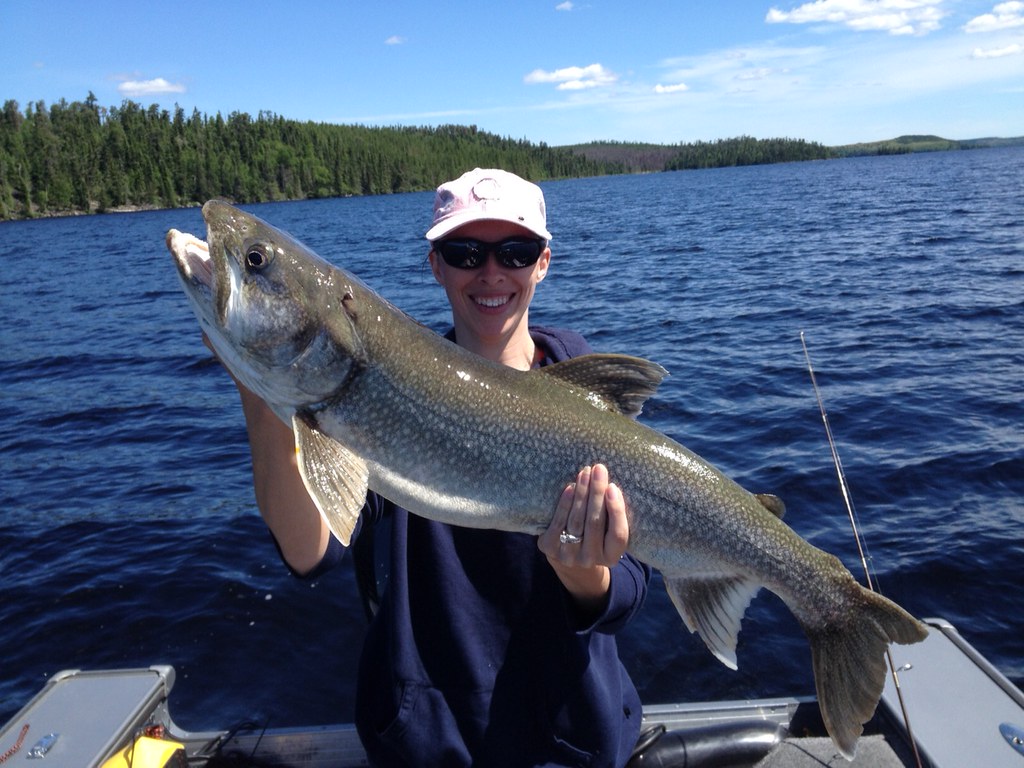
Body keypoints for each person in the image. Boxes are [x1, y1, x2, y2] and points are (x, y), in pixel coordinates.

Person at [221, 168, 651, 767]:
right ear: (436, 265)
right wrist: (260, 380)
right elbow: (310, 550)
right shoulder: (385, 385)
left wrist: (586, 575)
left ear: (543, 262)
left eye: (516, 251)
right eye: (466, 251)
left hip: (572, 741)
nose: (492, 272)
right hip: (427, 745)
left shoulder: (590, 409)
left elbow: (629, 592)